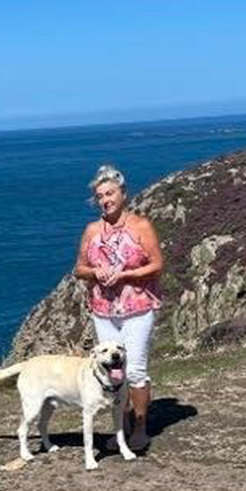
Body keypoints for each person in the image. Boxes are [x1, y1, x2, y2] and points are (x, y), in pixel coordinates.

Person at [73, 164, 164, 454]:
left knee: (135, 368)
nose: (105, 200)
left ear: (123, 194)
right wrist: (95, 273)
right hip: (103, 310)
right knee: (114, 369)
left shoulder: (141, 226)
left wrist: (126, 275)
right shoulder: (91, 231)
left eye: (110, 193)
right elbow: (79, 269)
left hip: (137, 307)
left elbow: (157, 264)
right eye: (100, 196)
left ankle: (140, 428)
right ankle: (120, 429)